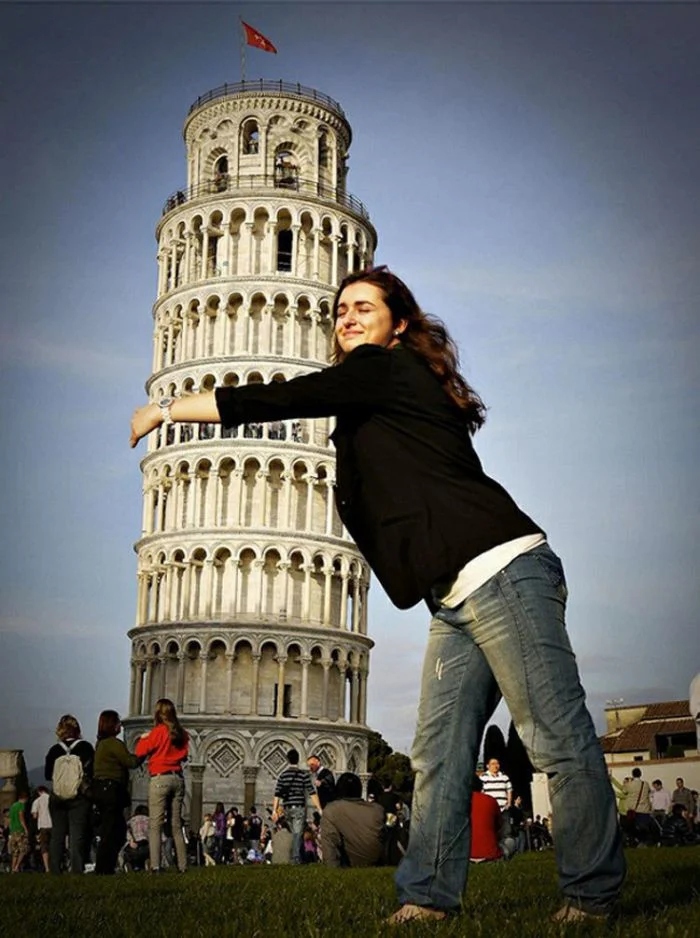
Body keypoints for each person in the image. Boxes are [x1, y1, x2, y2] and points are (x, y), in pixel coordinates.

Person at [130, 266, 625, 924]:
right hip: (453, 594)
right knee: (438, 756)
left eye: (364, 307)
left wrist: (166, 411)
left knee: (555, 737)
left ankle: (591, 895)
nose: (348, 317)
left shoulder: (386, 370)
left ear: (399, 324)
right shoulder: (375, 390)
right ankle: (427, 896)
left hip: (503, 568)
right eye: (340, 310)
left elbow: (281, 398)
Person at [134, 697, 189, 873]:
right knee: (176, 825)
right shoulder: (182, 734)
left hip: (160, 779)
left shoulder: (158, 732)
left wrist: (144, 738)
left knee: (155, 825)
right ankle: (183, 866)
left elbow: (140, 751)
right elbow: (184, 755)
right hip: (178, 778)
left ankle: (156, 866)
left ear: (158, 714)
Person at [92, 709, 141, 874]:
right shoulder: (113, 743)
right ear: (112, 725)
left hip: (102, 790)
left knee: (115, 830)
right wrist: (144, 750)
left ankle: (106, 868)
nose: (120, 724)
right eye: (118, 722)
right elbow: (130, 762)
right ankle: (103, 869)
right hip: (111, 790)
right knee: (112, 832)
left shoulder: (101, 744)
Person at [45, 713, 94, 874]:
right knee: (76, 835)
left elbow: (48, 774)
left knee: (57, 835)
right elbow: (91, 771)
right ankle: (76, 869)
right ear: (77, 730)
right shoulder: (85, 747)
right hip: (78, 795)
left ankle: (54, 869)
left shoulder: (54, 750)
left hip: (57, 795)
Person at [320, 771, 386, 868]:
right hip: (378, 862)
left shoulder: (332, 809)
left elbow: (330, 842)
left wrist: (332, 868)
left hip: (351, 863)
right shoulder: (378, 810)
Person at [270, 749, 322, 863]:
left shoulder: (283, 775)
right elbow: (312, 792)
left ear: (288, 760)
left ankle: (294, 857)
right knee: (297, 834)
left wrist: (274, 810)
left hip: (287, 808)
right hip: (299, 808)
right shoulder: (303, 775)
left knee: (294, 833)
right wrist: (319, 808)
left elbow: (277, 794)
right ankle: (295, 858)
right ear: (298, 760)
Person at [469, 775, 502, 864]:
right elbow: (499, 825)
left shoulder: (461, 802)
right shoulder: (491, 800)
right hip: (490, 854)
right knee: (510, 841)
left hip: (466, 854)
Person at [31, 785, 52, 872]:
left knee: (44, 846)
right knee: (54, 845)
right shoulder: (51, 799)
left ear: (39, 792)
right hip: (53, 825)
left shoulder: (37, 801)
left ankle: (47, 868)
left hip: (43, 825)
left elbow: (34, 816)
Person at [123, 805, 150, 871]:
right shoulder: (149, 820)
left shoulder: (132, 820)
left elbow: (126, 830)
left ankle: (130, 865)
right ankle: (146, 864)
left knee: (128, 855)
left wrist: (131, 840)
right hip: (145, 844)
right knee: (146, 855)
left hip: (133, 845)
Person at [8, 790, 29, 873]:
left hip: (13, 830)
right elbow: (21, 817)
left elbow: (10, 819)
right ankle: (17, 866)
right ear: (25, 798)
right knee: (23, 849)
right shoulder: (21, 805)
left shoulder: (13, 806)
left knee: (15, 851)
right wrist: (25, 828)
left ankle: (13, 868)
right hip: (20, 830)